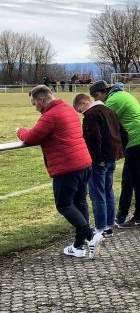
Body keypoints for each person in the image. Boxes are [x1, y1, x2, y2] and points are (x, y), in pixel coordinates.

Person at [16, 85, 103, 259]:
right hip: (84, 163)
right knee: (80, 204)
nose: (35, 108)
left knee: (64, 205)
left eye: (35, 103)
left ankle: (91, 235)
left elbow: (32, 136)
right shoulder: (68, 110)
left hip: (67, 168)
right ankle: (78, 247)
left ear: (41, 100)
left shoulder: (50, 115)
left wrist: (20, 131)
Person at [90, 80, 140, 228]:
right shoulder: (121, 95)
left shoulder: (113, 100)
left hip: (138, 140)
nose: (96, 100)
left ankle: (139, 217)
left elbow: (100, 120)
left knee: (137, 180)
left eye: (96, 96)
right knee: (128, 179)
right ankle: (120, 217)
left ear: (103, 92)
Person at [73, 93, 127, 238]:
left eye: (79, 110)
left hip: (99, 161)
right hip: (111, 158)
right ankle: (109, 227)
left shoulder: (91, 115)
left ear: (84, 103)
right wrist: (119, 152)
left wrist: (97, 159)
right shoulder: (110, 111)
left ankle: (100, 228)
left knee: (97, 195)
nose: (81, 113)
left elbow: (94, 139)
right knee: (108, 192)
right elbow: (124, 133)